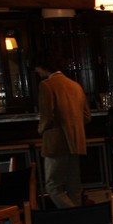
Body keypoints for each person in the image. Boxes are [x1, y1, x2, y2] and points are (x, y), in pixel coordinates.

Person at [35, 52, 90, 208]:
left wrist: (40, 129)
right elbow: (87, 116)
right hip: (76, 142)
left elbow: (47, 116)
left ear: (43, 66)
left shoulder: (46, 85)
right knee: (74, 187)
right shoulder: (75, 86)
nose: (36, 71)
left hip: (56, 143)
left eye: (37, 67)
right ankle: (79, 217)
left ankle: (72, 214)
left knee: (52, 185)